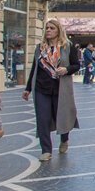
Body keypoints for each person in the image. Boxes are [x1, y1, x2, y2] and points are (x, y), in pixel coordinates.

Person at [23, 19, 80, 161]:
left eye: (52, 28)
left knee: (62, 116)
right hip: (41, 88)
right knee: (42, 119)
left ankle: (64, 139)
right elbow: (34, 69)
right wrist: (28, 88)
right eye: (47, 28)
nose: (48, 30)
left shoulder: (68, 47)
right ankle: (46, 150)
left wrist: (66, 69)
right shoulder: (40, 48)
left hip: (60, 88)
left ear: (58, 30)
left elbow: (76, 65)